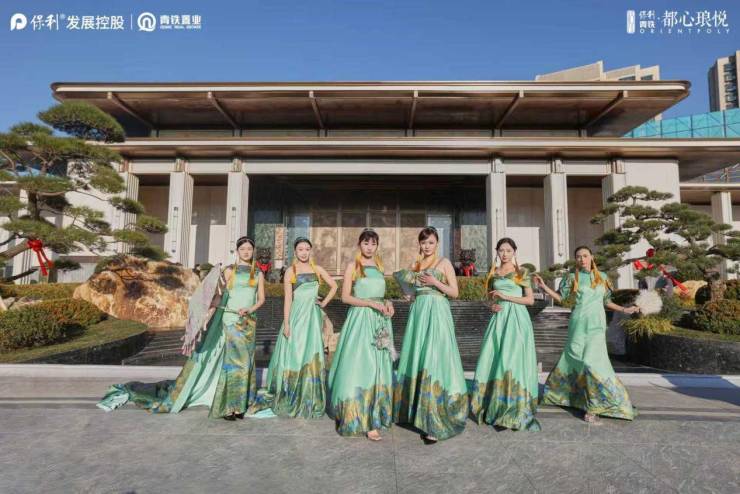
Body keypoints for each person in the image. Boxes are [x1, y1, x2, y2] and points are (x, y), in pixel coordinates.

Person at [97, 236, 265, 420]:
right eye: (243, 249)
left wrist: (250, 309)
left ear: (253, 251)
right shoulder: (229, 271)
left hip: (249, 322)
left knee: (246, 362)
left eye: (249, 249)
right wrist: (206, 317)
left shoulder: (258, 273)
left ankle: (242, 403)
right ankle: (230, 406)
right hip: (231, 320)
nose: (246, 252)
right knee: (233, 363)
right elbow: (217, 297)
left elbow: (261, 299)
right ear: (237, 251)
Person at [533, 246, 639, 424]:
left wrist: (624, 309)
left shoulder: (602, 277)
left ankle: (593, 406)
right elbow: (562, 299)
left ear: (592, 257)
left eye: (585, 256)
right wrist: (544, 287)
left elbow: (606, 301)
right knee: (575, 360)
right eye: (578, 256)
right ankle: (566, 395)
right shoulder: (571, 277)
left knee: (591, 362)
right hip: (578, 324)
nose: (582, 259)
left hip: (597, 325)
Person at [393, 226, 468, 443]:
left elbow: (455, 292)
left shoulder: (444, 263)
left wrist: (436, 282)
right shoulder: (416, 265)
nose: (427, 246)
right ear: (420, 244)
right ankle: (414, 410)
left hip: (437, 312)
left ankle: (434, 418)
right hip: (419, 312)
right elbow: (410, 292)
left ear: (437, 243)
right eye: (424, 242)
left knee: (435, 359)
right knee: (418, 356)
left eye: (431, 242)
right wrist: (407, 291)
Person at [248, 236, 338, 418]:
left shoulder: (317, 269)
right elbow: (288, 299)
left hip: (312, 318)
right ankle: (291, 392)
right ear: (295, 252)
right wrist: (287, 323)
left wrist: (323, 303)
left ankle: (309, 395)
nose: (304, 252)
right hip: (297, 317)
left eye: (307, 249)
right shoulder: (291, 271)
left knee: (311, 353)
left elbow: (334, 286)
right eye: (300, 249)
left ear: (310, 251)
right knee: (294, 353)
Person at [328, 228, 396, 440]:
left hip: (380, 321)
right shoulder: (353, 266)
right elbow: (345, 297)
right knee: (360, 364)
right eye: (366, 243)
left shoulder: (380, 266)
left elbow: (381, 294)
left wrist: (388, 303)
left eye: (373, 244)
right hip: (360, 320)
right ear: (360, 244)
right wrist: (369, 304)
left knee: (378, 366)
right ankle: (357, 415)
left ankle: (374, 416)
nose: (369, 247)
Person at [470, 237, 540, 431]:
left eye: (508, 250)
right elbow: (488, 298)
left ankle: (514, 409)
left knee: (512, 360)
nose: (505, 254)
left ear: (514, 252)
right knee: (494, 358)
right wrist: (492, 305)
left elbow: (530, 300)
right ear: (497, 252)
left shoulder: (521, 272)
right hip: (499, 320)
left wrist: (506, 297)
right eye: (501, 250)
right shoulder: (493, 273)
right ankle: (497, 405)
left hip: (517, 320)